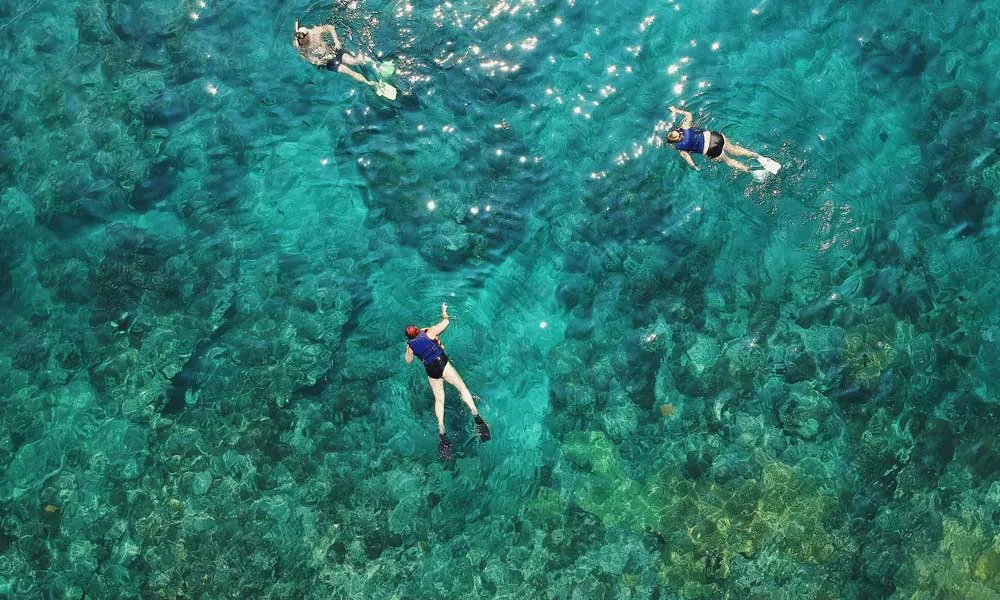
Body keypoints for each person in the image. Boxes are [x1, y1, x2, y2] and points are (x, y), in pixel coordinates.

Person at [405, 303, 491, 461]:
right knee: (462, 388)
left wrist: (408, 346)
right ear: (419, 330)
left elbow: (409, 361)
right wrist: (444, 312)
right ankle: (475, 414)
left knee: (439, 399)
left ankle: (442, 430)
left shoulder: (410, 345)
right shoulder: (429, 333)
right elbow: (446, 322)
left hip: (431, 370)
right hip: (442, 364)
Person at [665, 106, 761, 173]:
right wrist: (675, 110)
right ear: (678, 132)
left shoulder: (682, 150)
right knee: (734, 149)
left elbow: (689, 161)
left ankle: (749, 170)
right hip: (716, 137)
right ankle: (755, 155)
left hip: (712, 150)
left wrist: (695, 167)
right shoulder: (685, 127)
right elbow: (689, 114)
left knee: (728, 161)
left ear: (674, 143)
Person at [293, 21, 379, 88]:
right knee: (349, 72)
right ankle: (370, 83)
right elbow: (302, 55)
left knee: (355, 62)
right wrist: (315, 61)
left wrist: (336, 42)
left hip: (332, 51)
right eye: (299, 39)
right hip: (325, 62)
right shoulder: (297, 44)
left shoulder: (315, 33)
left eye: (302, 39)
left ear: (307, 35)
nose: (301, 41)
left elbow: (330, 27)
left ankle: (376, 63)